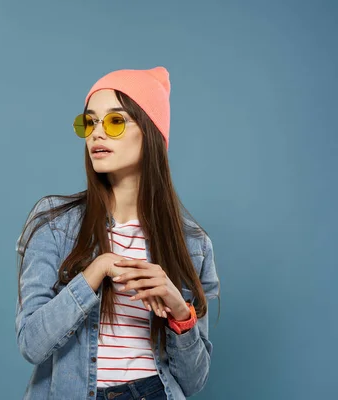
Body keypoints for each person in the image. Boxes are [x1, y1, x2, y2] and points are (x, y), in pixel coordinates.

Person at [15, 66, 220, 400]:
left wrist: (181, 314)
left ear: (151, 132)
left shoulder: (192, 244)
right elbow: (32, 343)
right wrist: (96, 271)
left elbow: (194, 381)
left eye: (114, 121)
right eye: (90, 122)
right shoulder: (54, 222)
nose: (97, 133)